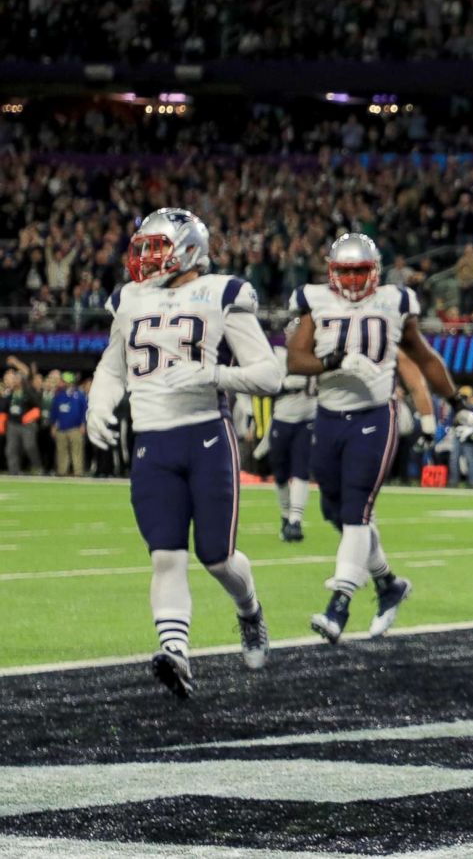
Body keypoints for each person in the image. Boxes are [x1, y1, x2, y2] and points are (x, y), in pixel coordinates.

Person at [86, 207, 283, 698]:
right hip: (153, 441)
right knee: (165, 558)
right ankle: (176, 652)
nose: (147, 259)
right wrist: (99, 406)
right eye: (144, 249)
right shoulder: (130, 299)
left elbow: (270, 375)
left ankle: (250, 610)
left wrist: (214, 374)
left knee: (217, 558)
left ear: (189, 249)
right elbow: (113, 367)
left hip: (206, 437)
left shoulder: (221, 292)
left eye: (157, 248)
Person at [287, 233, 455, 644]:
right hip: (329, 417)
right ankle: (388, 584)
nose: (353, 279)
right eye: (345, 271)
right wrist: (336, 359)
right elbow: (296, 359)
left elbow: (423, 358)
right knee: (335, 512)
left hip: (376, 415)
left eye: (360, 271)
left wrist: (455, 399)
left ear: (375, 272)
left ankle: (338, 606)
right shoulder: (314, 300)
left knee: (357, 511)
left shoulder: (395, 302)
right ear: (331, 272)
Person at [256, 319, 318, 542]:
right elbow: (264, 383)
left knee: (301, 468)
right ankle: (285, 515)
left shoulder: (317, 354)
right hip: (282, 417)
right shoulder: (278, 354)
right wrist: (284, 385)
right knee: (280, 472)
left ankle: (295, 521)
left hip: (308, 417)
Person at [49, 371, 88, 477]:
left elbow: (85, 410)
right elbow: (54, 412)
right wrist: (53, 425)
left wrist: (83, 424)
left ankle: (78, 472)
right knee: (61, 451)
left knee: (77, 451)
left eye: (63, 381)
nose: (60, 383)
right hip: (61, 428)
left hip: (75, 428)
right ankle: (62, 472)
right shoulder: (58, 395)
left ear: (68, 382)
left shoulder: (79, 395)